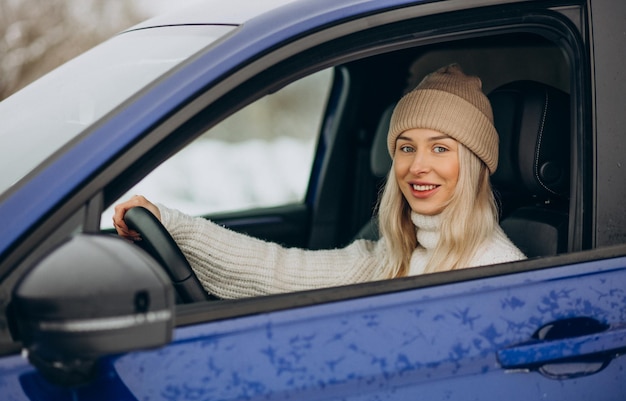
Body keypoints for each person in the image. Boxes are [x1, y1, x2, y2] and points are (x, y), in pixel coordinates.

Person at [113, 64, 525, 299]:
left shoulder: (496, 273)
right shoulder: (393, 256)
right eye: (405, 147)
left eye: (440, 149)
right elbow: (278, 271)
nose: (417, 166)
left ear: (473, 164)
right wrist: (171, 224)